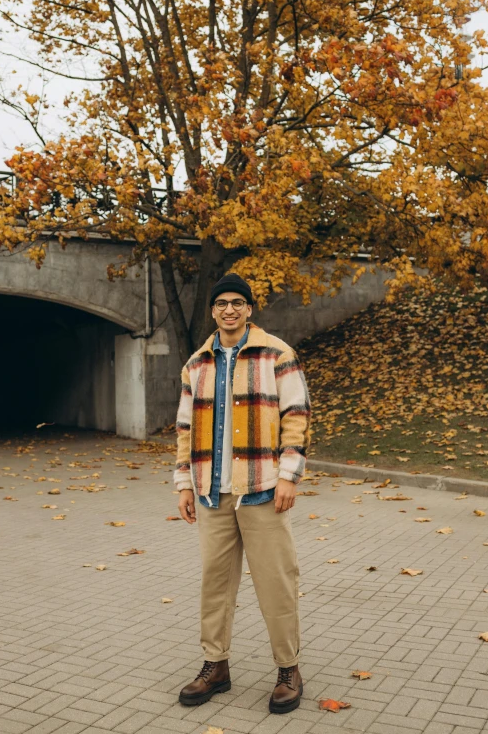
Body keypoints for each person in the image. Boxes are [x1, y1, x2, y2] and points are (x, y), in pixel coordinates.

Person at [174, 273, 311, 715]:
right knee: (214, 584)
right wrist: (183, 484)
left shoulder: (277, 354)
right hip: (212, 492)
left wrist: (289, 474)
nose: (229, 309)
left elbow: (296, 415)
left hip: (261, 489)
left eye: (238, 302)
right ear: (213, 310)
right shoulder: (197, 363)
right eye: (221, 303)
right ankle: (216, 665)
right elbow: (183, 430)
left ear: (250, 309)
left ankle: (288, 669)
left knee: (276, 583)